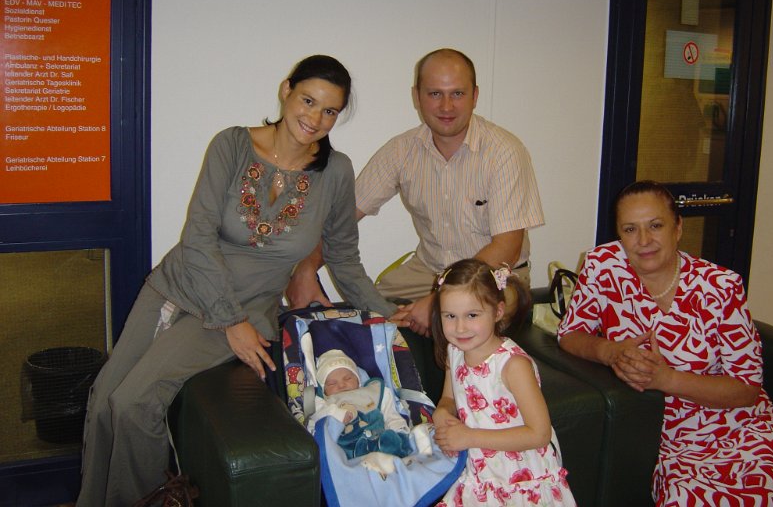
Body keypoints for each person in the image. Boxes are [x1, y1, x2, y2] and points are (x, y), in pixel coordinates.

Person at [76, 55, 397, 507]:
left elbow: (343, 256)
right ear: (286, 90)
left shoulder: (336, 172)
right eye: (308, 101)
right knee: (103, 398)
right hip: (177, 287)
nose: (315, 118)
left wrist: (387, 314)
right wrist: (229, 319)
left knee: (133, 404)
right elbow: (197, 234)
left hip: (246, 308)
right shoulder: (232, 144)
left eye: (330, 111)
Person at [557, 180, 773, 505]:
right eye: (630, 229)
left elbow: (747, 389)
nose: (643, 241)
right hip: (667, 435)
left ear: (678, 228)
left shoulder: (721, 288)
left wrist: (667, 379)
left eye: (655, 226)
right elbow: (570, 333)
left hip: (738, 428)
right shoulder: (603, 267)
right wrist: (610, 351)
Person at [287, 48, 544, 337]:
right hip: (430, 271)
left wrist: (440, 300)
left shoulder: (505, 152)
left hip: (496, 277)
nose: (446, 106)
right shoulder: (401, 150)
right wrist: (306, 268)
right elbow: (341, 219)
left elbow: (507, 248)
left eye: (457, 94)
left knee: (462, 319)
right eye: (435, 94)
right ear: (417, 96)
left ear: (475, 96)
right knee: (375, 312)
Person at [431, 258, 576, 506]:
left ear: (497, 312)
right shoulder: (454, 353)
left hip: (520, 481)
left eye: (472, 315)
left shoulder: (513, 365)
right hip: (478, 475)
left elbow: (539, 434)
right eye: (450, 316)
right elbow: (449, 398)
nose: (460, 327)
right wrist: (442, 412)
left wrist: (470, 437)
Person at [307, 349, 413, 460]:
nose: (342, 385)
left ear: (358, 380)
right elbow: (315, 419)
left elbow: (391, 416)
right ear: (324, 390)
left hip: (378, 441)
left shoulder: (373, 393)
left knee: (398, 439)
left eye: (348, 378)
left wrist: (400, 433)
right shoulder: (324, 402)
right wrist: (335, 414)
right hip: (346, 450)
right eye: (332, 383)